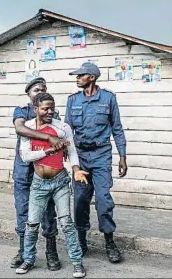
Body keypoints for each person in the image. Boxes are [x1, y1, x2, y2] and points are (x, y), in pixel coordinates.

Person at [15, 92, 88, 278]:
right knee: (31, 224)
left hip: (60, 182)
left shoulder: (62, 127)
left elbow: (72, 153)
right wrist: (48, 149)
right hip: (39, 184)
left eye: (52, 108)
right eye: (45, 108)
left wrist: (76, 170)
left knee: (66, 223)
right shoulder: (28, 128)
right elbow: (25, 157)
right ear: (36, 109)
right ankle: (28, 259)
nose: (49, 112)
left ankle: (77, 263)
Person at [65, 62, 128, 263]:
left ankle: (109, 242)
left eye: (80, 75)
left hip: (101, 155)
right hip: (81, 156)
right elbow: (67, 131)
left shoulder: (108, 99)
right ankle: (82, 241)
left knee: (103, 200)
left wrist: (123, 156)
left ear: (91, 77)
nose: (77, 78)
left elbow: (117, 128)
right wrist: (68, 156)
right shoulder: (72, 100)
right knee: (81, 201)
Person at [11, 77, 66, 271]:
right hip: (24, 172)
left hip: (46, 172)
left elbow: (63, 138)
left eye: (43, 89)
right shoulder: (21, 111)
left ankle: (51, 252)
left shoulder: (52, 114)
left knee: (48, 213)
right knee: (23, 212)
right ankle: (23, 252)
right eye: (36, 90)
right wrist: (48, 137)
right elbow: (20, 128)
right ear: (29, 95)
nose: (40, 92)